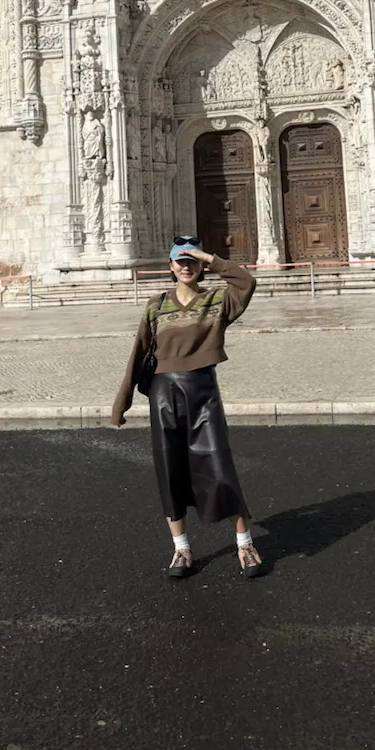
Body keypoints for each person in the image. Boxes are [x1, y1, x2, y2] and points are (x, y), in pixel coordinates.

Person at [112, 236, 264, 581]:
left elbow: (246, 281)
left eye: (191, 261)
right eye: (179, 261)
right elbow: (139, 353)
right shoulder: (156, 306)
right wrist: (122, 402)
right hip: (164, 395)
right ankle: (181, 549)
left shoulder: (217, 300)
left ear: (201, 267)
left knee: (220, 469)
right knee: (171, 471)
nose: (185, 266)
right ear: (169, 267)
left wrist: (209, 256)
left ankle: (245, 544)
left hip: (203, 392)